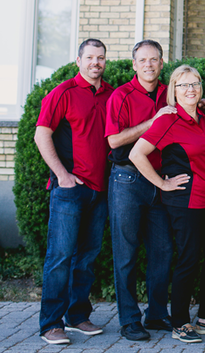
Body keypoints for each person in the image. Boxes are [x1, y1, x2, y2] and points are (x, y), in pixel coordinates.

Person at [105, 40, 205, 341]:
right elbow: (114, 141)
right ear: (134, 64)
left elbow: (188, 108)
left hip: (162, 182)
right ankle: (129, 319)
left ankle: (156, 313)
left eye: (155, 59)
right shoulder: (121, 96)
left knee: (163, 251)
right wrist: (153, 121)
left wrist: (198, 105)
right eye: (143, 60)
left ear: (162, 63)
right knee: (126, 253)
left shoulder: (173, 90)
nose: (149, 65)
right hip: (129, 180)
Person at [130, 65, 205, 344]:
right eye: (183, 85)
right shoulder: (168, 120)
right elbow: (136, 153)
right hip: (185, 202)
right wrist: (162, 183)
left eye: (195, 84)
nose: (190, 89)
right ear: (173, 90)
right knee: (189, 259)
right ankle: (180, 322)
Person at [35, 38, 113, 345]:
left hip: (100, 191)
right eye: (91, 57)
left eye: (101, 58)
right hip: (70, 190)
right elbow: (42, 135)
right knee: (60, 256)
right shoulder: (62, 93)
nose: (96, 62)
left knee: (87, 257)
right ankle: (50, 323)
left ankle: (77, 315)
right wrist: (62, 175)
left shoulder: (110, 94)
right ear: (78, 60)